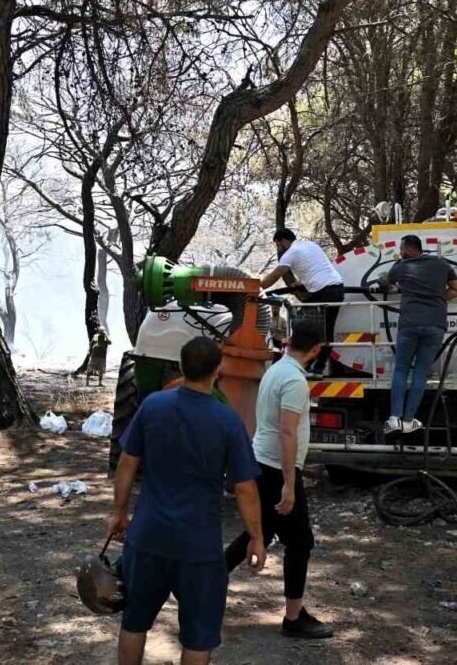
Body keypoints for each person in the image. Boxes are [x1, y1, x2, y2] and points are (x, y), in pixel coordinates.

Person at [110, 336, 266, 665]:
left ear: (181, 366)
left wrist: (119, 514)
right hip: (199, 547)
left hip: (148, 537)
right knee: (198, 636)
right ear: (219, 370)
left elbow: (126, 463)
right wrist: (256, 537)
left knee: (134, 621)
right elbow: (245, 488)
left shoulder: (153, 406)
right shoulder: (228, 421)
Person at [225, 319, 333, 640]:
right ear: (316, 349)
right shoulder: (295, 380)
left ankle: (202, 582)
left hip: (262, 461)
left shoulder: (275, 369)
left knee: (259, 532)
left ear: (291, 341)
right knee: (300, 542)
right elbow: (287, 432)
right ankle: (293, 617)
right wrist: (290, 483)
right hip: (277, 468)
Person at [379, 234, 457, 433]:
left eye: (402, 248)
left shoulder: (401, 266)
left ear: (409, 249)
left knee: (401, 369)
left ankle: (394, 419)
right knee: (421, 371)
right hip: (435, 325)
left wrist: (391, 268)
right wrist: (439, 297)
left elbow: (385, 282)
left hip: (409, 324)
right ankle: (409, 420)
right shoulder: (441, 264)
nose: (400, 252)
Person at [259, 228, 344, 377]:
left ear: (283, 240)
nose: (279, 249)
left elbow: (274, 276)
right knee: (327, 330)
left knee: (307, 329)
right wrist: (301, 282)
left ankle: (307, 366)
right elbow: (316, 269)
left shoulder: (290, 253)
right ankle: (317, 368)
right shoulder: (310, 245)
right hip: (337, 287)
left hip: (322, 291)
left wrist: (257, 287)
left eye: (278, 245)